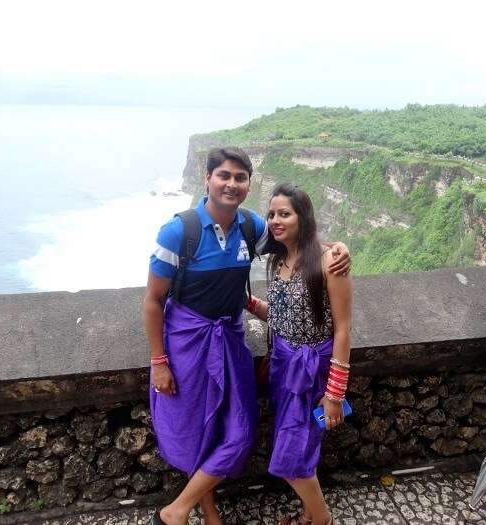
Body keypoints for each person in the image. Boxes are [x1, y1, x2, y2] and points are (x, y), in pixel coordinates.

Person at [144, 148, 350, 525]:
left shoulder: (251, 228)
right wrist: (159, 362)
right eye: (224, 175)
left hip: (231, 342)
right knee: (198, 430)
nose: (232, 184)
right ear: (207, 179)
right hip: (186, 345)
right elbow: (153, 301)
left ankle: (176, 511)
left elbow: (297, 239)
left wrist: (337, 248)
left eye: (240, 178)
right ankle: (205, 510)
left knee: (238, 431)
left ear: (248, 184)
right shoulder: (178, 232)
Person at [246, 183, 353, 525]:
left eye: (285, 214)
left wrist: (334, 395)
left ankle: (322, 519)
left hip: (311, 374)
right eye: (272, 214)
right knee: (303, 448)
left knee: (291, 457)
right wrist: (245, 301)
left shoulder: (329, 261)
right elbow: (280, 317)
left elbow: (343, 330)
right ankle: (308, 515)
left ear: (302, 217)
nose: (276, 220)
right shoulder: (278, 260)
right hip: (282, 366)